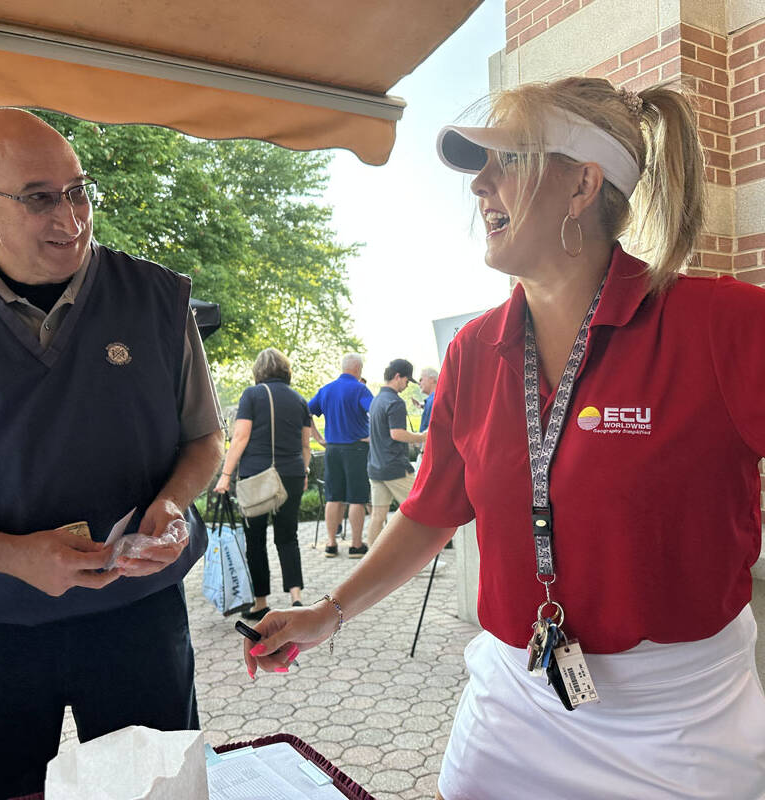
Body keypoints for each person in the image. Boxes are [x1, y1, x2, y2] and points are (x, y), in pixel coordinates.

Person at [239, 77, 765, 799]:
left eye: (507, 161)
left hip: (680, 721)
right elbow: (429, 513)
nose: (479, 184)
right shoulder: (473, 351)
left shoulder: (724, 326)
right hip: (515, 700)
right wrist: (329, 614)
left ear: (583, 184)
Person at [0, 109, 225, 798]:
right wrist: (16, 556)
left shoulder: (158, 299)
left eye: (79, 190)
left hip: (137, 615)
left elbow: (204, 439)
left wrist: (170, 505)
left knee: (155, 790)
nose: (72, 217)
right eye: (40, 197)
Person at [214, 347, 310, 619]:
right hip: (291, 475)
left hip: (257, 476)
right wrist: (302, 472)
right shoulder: (299, 399)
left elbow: (240, 438)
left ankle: (260, 603)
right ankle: (296, 597)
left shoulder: (252, 395)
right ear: (285, 370)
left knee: (255, 540)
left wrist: (225, 475)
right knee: (288, 536)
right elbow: (305, 444)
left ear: (259, 371)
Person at [308, 353, 373, 558]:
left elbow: (306, 412)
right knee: (357, 498)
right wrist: (372, 437)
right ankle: (355, 545)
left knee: (333, 497)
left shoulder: (326, 390)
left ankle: (331, 544)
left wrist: (318, 437)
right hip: (356, 449)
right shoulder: (360, 389)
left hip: (332, 449)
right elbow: (377, 411)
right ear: (358, 369)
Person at [365, 359, 426, 547]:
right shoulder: (395, 402)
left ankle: (371, 563)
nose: (407, 386)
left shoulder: (376, 400)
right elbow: (397, 434)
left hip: (375, 467)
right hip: (395, 468)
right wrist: (422, 436)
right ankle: (418, 561)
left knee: (377, 516)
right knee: (420, 511)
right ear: (398, 376)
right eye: (407, 381)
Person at [418, 367, 438, 433]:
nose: (419, 383)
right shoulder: (433, 399)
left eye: (421, 379)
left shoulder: (433, 400)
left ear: (432, 380)